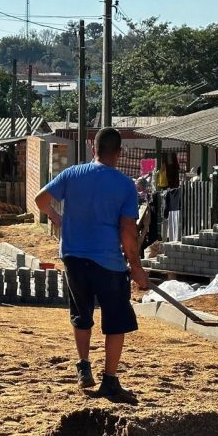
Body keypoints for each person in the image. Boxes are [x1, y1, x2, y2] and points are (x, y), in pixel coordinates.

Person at [34, 127, 149, 403]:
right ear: (119, 153)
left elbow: (40, 200)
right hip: (107, 262)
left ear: (93, 149)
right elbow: (127, 231)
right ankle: (109, 380)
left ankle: (84, 365)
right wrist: (135, 266)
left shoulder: (72, 174)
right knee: (116, 319)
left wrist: (57, 219)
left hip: (73, 256)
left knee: (81, 312)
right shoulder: (124, 185)